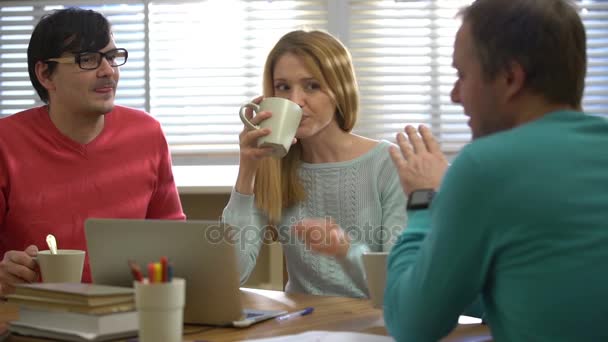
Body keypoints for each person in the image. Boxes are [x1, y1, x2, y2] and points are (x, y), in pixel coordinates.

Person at [384, 0, 608, 341]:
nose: (454, 95)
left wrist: (424, 200)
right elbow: (532, 288)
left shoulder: (484, 166)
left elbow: (410, 325)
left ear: (510, 78)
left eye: (462, 75)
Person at [0, 8, 185, 295]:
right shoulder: (6, 142)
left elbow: (174, 244)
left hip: (128, 317)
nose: (108, 71)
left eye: (112, 57)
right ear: (46, 75)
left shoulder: (147, 134)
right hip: (30, 320)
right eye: (87, 59)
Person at [222, 30, 407, 298]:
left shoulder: (387, 164)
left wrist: (343, 248)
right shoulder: (273, 164)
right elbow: (233, 273)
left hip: (372, 326)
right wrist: (247, 172)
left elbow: (396, 285)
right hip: (304, 324)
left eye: (312, 86)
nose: (295, 101)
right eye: (283, 87)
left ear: (340, 91)